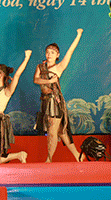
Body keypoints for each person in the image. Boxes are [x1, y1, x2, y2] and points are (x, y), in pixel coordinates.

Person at [33, 29, 84, 163]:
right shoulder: (40, 67)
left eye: (53, 52)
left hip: (54, 102)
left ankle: (49, 159)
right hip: (44, 101)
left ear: (57, 55)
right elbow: (36, 80)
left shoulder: (59, 67)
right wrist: (49, 81)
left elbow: (71, 51)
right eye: (48, 52)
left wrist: (78, 35)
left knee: (52, 131)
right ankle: (78, 156)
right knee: (61, 132)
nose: (49, 55)